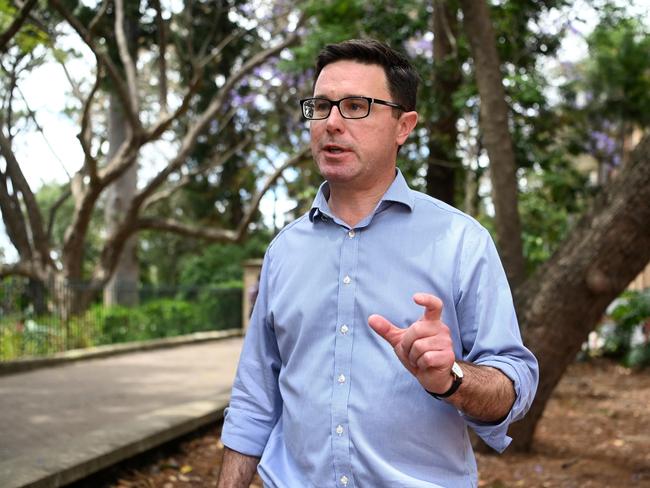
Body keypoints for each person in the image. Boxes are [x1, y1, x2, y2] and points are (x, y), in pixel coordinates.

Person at [218, 39, 538, 488]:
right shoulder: (283, 252)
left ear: (403, 126)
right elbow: (255, 399)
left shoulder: (461, 242)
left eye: (355, 106)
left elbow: (514, 385)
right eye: (322, 106)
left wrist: (451, 378)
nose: (331, 123)